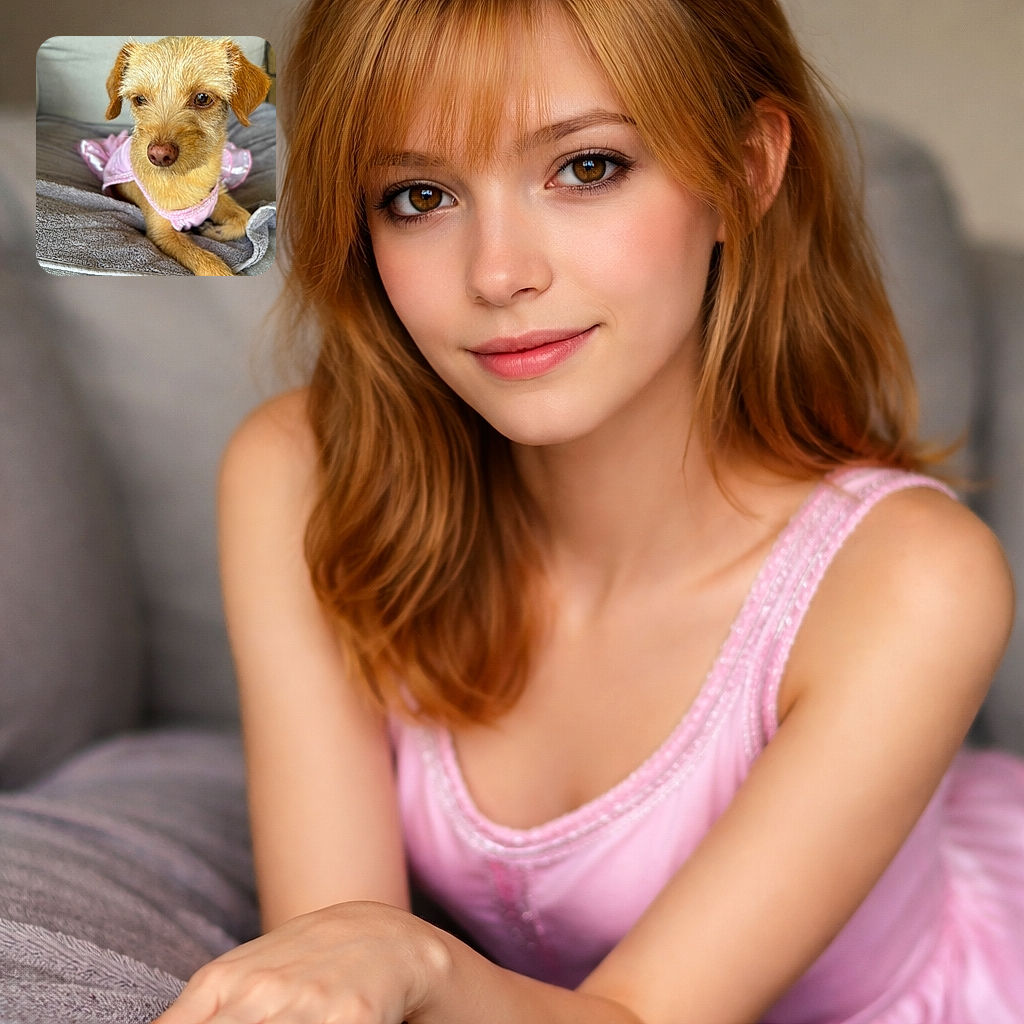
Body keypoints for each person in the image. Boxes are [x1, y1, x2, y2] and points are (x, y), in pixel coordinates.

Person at [154, 0, 1024, 1021]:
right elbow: (327, 960)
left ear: (745, 173)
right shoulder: (300, 475)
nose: (498, 274)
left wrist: (416, 960)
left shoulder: (913, 581)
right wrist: (376, 957)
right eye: (419, 196)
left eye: (587, 167)